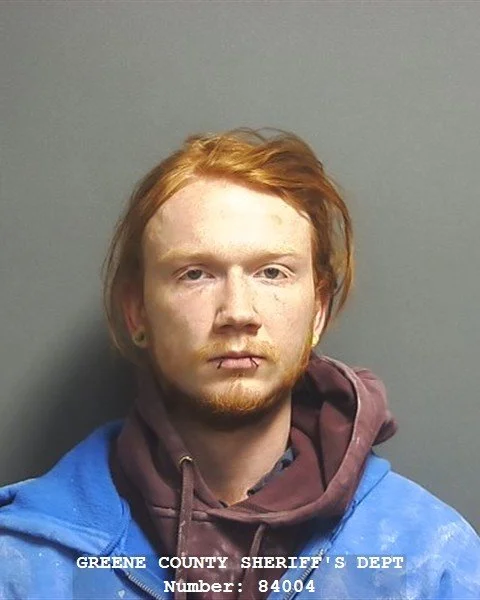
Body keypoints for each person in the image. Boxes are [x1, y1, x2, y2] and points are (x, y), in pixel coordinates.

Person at [0, 128, 478, 600]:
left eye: (272, 272)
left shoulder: (430, 562)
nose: (237, 313)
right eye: (195, 274)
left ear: (318, 310)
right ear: (137, 313)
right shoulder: (21, 563)